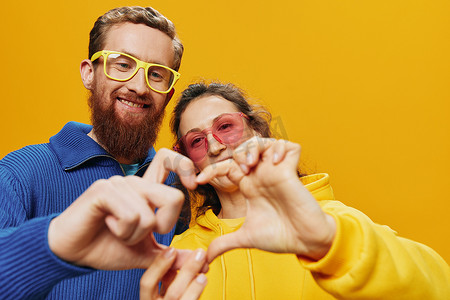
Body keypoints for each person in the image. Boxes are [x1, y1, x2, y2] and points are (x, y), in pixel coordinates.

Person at [166, 82, 450, 299]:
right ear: (190, 161)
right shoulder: (182, 252)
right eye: (197, 141)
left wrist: (330, 243)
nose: (215, 146)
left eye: (226, 127)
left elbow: (439, 286)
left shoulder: (331, 223)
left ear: (257, 130)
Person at [0, 6, 201, 299]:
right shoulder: (20, 173)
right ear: (89, 74)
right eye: (122, 64)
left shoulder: (174, 188)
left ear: (168, 94)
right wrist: (55, 245)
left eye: (156, 74)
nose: (138, 86)